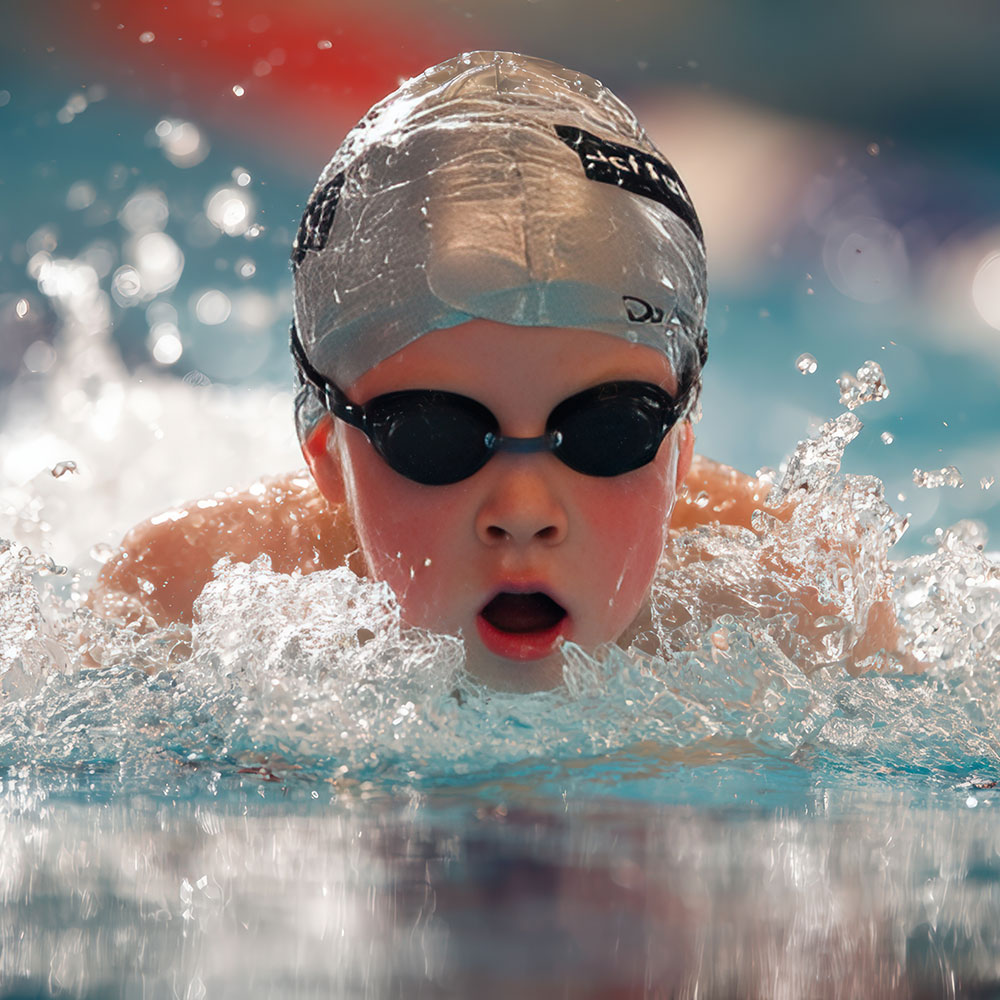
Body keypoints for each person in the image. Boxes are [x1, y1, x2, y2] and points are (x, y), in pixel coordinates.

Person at [89, 51, 904, 690]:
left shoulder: (805, 612)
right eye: (435, 435)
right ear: (328, 454)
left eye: (610, 428)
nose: (523, 512)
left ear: (681, 448)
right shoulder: (181, 610)